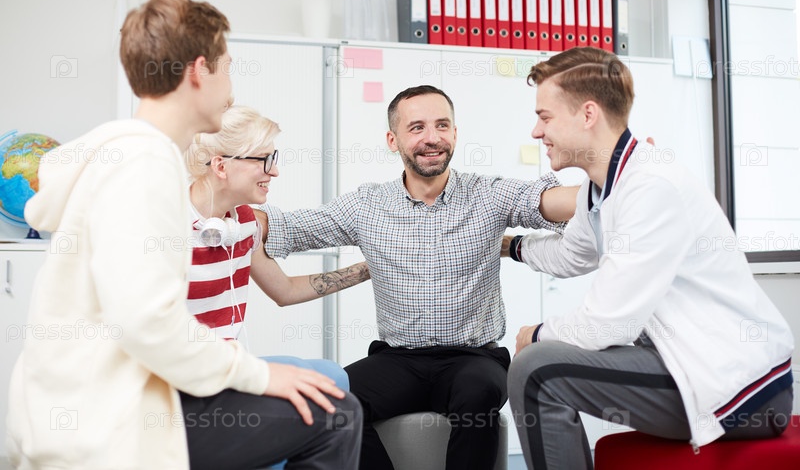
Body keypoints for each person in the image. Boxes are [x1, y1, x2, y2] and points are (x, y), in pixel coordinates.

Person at [7, 0, 361, 470]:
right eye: (227, 69)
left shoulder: (125, 155)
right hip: (109, 423)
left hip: (103, 401)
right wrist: (257, 375)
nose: (230, 90)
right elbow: (146, 321)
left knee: (323, 387)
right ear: (198, 71)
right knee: (337, 414)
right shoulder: (144, 163)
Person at [504, 46, 794, 470]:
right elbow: (570, 255)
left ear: (588, 114)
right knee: (538, 366)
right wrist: (509, 245)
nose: (536, 131)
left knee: (535, 371)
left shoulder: (651, 186)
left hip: (742, 389)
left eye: (545, 117)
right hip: (681, 361)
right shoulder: (602, 186)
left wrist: (537, 334)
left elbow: (607, 324)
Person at [261, 84, 578, 469]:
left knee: (477, 394)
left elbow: (550, 202)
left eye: (442, 125)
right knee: (330, 403)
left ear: (455, 134)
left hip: (473, 358)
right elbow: (291, 228)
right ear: (392, 140)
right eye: (417, 128)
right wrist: (227, 209)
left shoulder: (487, 195)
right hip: (398, 360)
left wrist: (617, 185)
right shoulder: (367, 205)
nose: (432, 138)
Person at [184, 104, 371, 390]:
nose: (274, 171)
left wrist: (370, 269)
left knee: (333, 375)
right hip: (187, 375)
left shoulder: (242, 221)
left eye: (274, 158)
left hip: (230, 365)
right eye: (264, 159)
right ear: (221, 166)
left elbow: (285, 290)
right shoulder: (166, 225)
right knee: (324, 391)